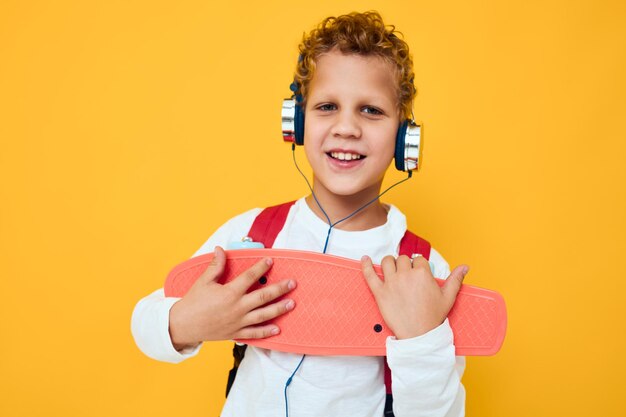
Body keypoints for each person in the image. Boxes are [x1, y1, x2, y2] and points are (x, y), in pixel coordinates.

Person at [132, 11, 468, 417]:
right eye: (327, 106)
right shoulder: (253, 230)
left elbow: (441, 411)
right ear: (296, 122)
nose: (347, 127)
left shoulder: (422, 271)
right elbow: (144, 323)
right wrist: (186, 322)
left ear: (404, 137)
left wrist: (420, 341)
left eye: (371, 111)